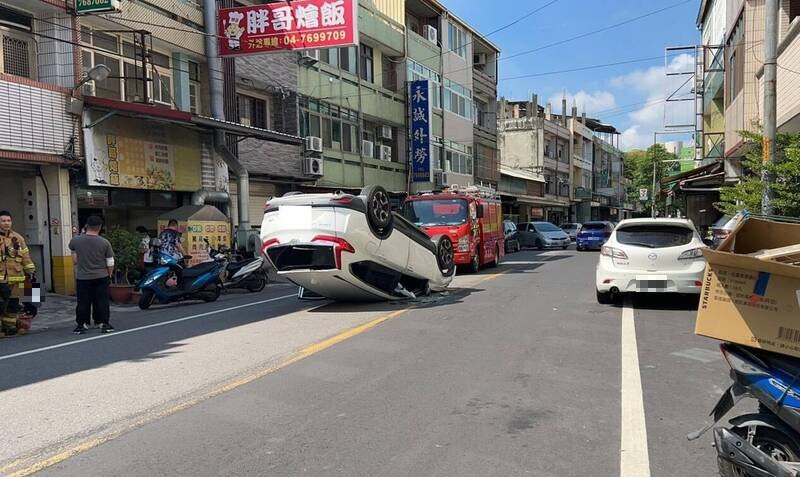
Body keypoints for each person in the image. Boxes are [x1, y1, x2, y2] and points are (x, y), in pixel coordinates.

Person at [69, 215, 115, 334]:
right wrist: (109, 274)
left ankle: (81, 324)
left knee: (83, 301)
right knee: (102, 301)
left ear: (86, 226)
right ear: (100, 227)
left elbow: (74, 260)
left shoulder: (76, 240)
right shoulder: (105, 242)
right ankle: (104, 323)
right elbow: (110, 262)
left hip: (83, 277)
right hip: (101, 276)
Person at [0, 211, 36, 336]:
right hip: (1, 280)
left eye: (8, 221)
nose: (6, 223)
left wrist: (31, 272)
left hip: (16, 278)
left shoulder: (18, 238)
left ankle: (10, 327)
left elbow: (25, 256)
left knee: (13, 304)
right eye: (3, 221)